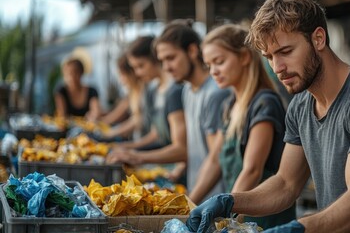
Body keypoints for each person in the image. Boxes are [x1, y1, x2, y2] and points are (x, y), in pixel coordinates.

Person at [186, 0, 350, 232]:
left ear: (318, 38)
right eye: (269, 57)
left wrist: (299, 228)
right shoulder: (300, 106)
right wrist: (230, 201)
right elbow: (286, 184)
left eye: (285, 52)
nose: (277, 68)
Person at [188, 23, 295, 229]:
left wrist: (228, 218)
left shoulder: (265, 103)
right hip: (240, 216)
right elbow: (214, 161)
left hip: (263, 219)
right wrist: (189, 206)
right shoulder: (230, 105)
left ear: (244, 57)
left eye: (219, 62)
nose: (213, 71)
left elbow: (252, 171)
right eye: (209, 65)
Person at [153, 20, 230, 198]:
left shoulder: (215, 94)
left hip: (216, 200)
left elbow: (216, 160)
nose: (166, 67)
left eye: (171, 58)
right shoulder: (187, 89)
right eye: (162, 61)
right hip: (198, 195)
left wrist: (190, 204)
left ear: (192, 51)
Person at [106, 35, 187, 183]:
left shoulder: (175, 92)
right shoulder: (153, 90)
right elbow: (156, 134)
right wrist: (127, 148)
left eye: (141, 66)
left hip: (177, 172)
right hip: (162, 166)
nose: (137, 73)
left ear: (155, 59)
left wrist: (137, 156)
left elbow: (182, 147)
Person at [98, 53, 145, 141]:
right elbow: (119, 111)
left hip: (141, 140)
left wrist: (112, 132)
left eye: (122, 75)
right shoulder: (132, 92)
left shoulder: (143, 91)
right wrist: (102, 122)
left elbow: (137, 120)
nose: (121, 80)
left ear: (131, 73)